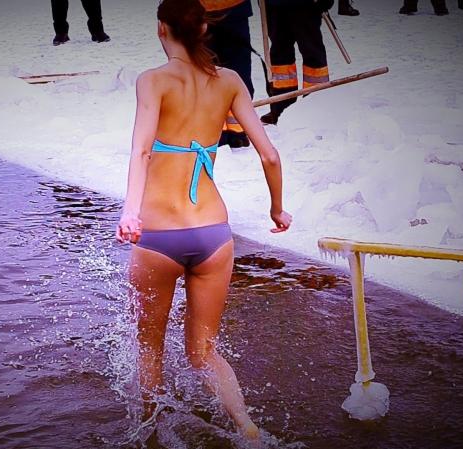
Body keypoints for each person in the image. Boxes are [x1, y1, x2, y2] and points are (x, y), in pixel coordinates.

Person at [116, 0, 292, 440]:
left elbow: (141, 150)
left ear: (162, 28)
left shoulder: (153, 80)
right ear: (202, 29)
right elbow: (270, 155)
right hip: (213, 234)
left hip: (159, 234)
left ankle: (150, 434)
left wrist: (131, 211)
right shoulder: (229, 80)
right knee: (204, 352)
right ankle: (247, 427)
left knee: (150, 349)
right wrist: (277, 208)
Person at [260, 0, 333, 125]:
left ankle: (316, 104)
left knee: (312, 53)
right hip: (275, 5)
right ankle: (282, 106)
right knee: (280, 55)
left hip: (306, 4)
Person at [202, 0, 255, 149]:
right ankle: (237, 131)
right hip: (232, 8)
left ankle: (221, 132)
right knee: (237, 70)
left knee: (206, 72)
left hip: (201, 11)